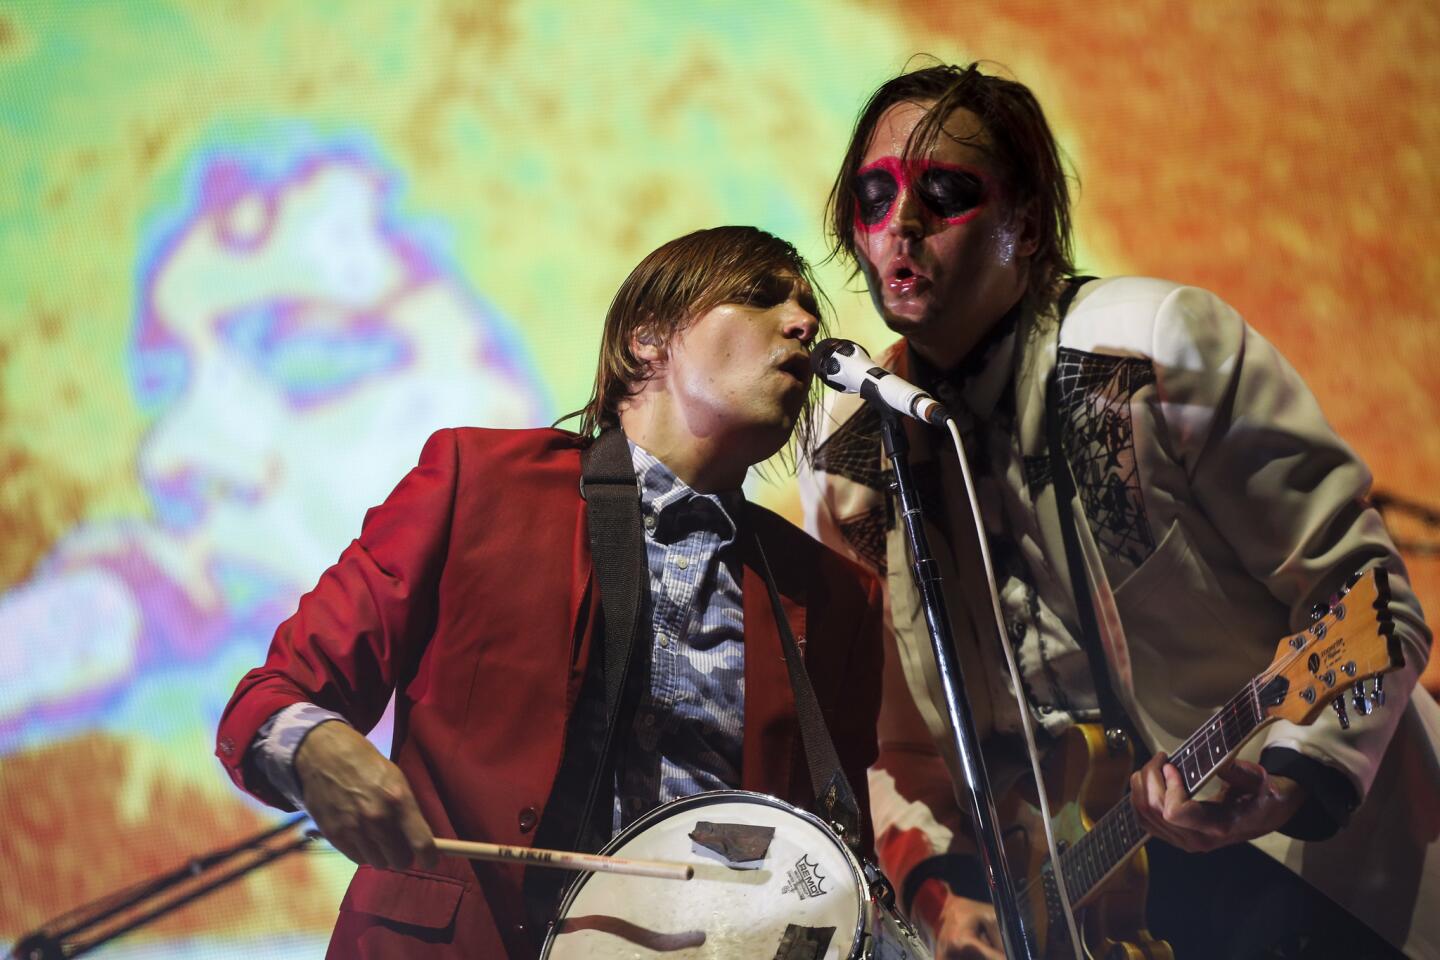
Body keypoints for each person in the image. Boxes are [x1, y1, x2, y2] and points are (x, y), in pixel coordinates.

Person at [802, 62, 1438, 959]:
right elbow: (894, 752)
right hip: (1090, 917)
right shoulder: (848, 456)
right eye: (875, 195)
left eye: (943, 192)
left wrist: (1292, 779)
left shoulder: (1151, 352)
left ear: (1022, 219)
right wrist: (941, 893)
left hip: (1323, 876)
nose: (900, 223)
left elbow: (1368, 596)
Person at [216, 225, 885, 958]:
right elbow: (269, 700)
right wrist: (315, 747)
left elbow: (835, 855)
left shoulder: (836, 598)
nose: (804, 324)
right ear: (648, 339)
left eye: (808, 310)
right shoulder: (478, 482)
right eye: (761, 298)